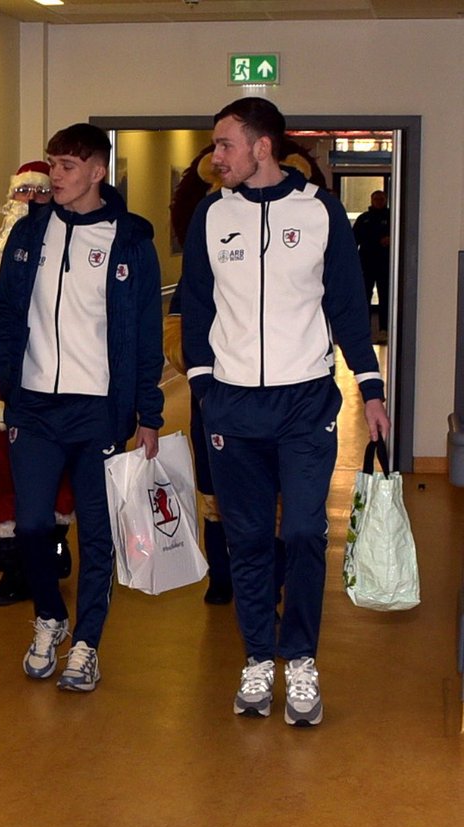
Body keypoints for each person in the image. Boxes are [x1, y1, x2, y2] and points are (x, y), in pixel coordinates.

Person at [177, 97, 389, 726]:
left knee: (300, 532)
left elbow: (348, 304)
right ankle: (256, 657)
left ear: (261, 146)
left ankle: (298, 658)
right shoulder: (212, 215)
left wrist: (371, 388)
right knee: (245, 539)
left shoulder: (320, 211)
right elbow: (196, 303)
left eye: (225, 144)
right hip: (232, 404)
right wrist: (204, 385)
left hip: (304, 402)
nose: (216, 157)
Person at [0, 124, 163, 692]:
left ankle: (87, 641)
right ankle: (49, 617)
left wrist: (149, 413)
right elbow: (7, 313)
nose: (55, 175)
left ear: (97, 171)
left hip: (98, 412)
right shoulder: (29, 233)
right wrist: (13, 387)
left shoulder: (130, 241)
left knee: (96, 533)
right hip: (35, 407)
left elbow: (145, 334)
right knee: (31, 525)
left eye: (67, 166)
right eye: (52, 163)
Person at [0, 161, 75, 606]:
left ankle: (53, 547)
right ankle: (11, 568)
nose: (30, 201)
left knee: (54, 471)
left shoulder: (67, 252)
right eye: (23, 192)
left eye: (40, 192)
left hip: (48, 380)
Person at [353, 189, 391, 339]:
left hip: (385, 263)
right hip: (366, 263)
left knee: (385, 296)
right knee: (364, 296)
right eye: (376, 199)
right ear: (371, 201)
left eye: (381, 199)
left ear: (386, 200)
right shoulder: (364, 219)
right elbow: (354, 240)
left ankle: (384, 329)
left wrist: (390, 239)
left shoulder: (392, 217)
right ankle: (364, 328)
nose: (379, 202)